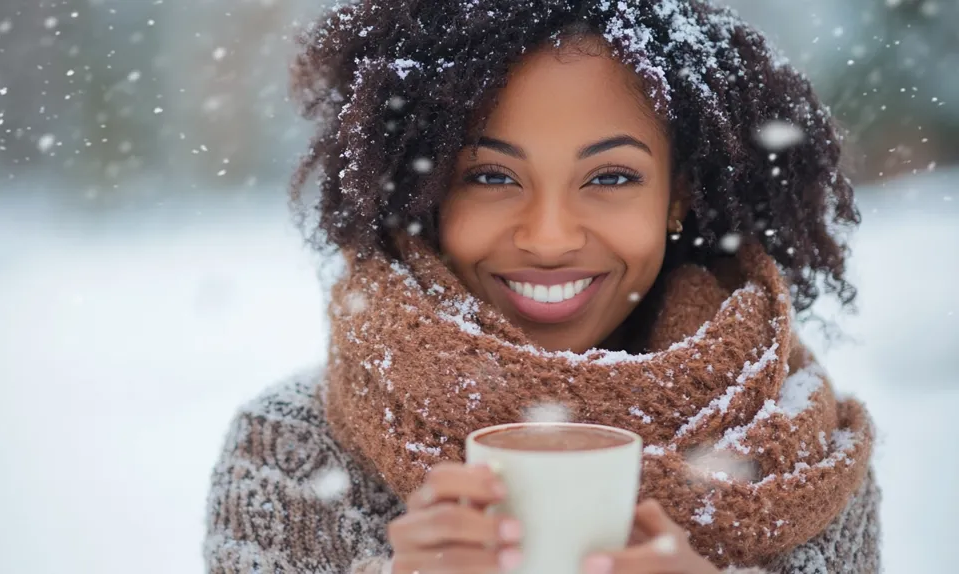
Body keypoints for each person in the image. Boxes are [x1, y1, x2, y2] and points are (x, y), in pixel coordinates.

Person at [204, 1, 880, 572]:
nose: (550, 237)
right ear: (426, 193)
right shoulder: (290, 453)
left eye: (611, 177)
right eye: (492, 177)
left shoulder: (805, 462)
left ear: (679, 196)